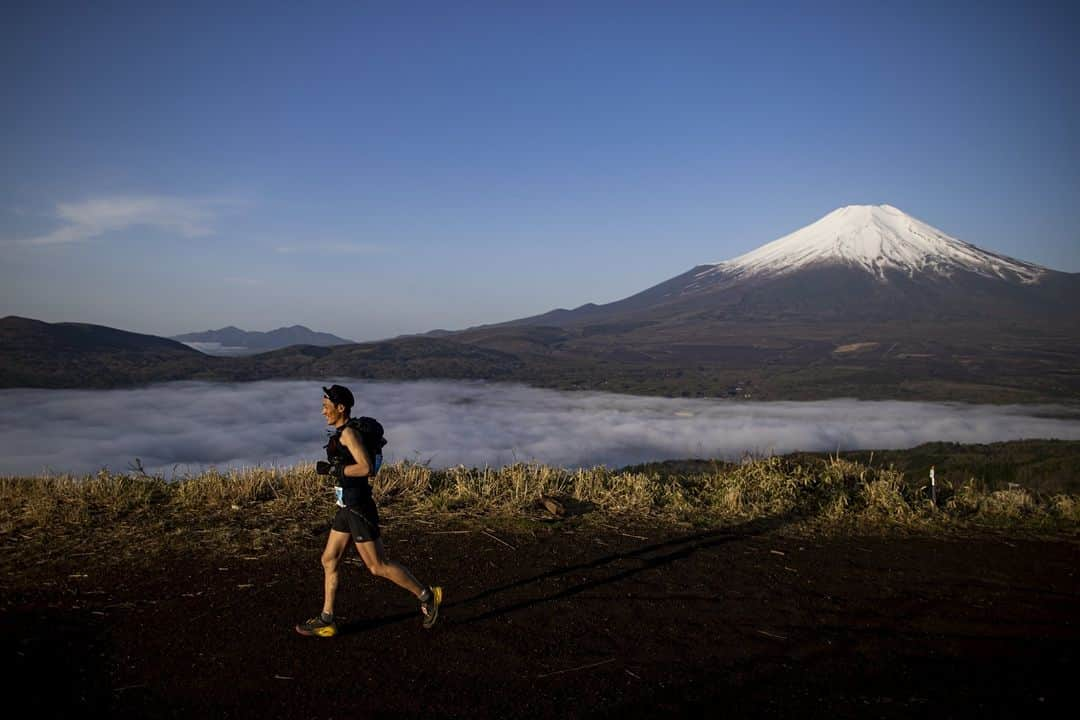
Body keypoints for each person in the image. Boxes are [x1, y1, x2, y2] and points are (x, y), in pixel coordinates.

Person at [296, 384, 442, 637]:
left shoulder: (349, 435)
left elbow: (366, 469)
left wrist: (334, 471)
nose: (323, 412)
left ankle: (427, 596)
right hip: (346, 507)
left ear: (341, 408)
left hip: (359, 507)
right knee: (329, 559)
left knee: (378, 566)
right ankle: (327, 619)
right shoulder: (344, 432)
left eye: (326, 406)